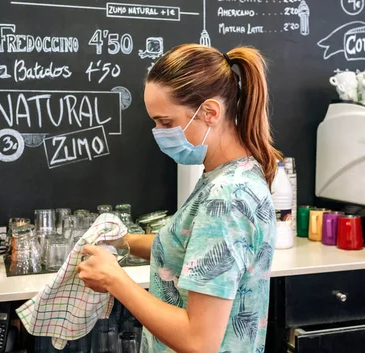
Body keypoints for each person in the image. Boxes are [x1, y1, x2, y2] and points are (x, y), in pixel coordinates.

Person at [77, 43, 281, 353]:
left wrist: (113, 280)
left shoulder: (226, 198)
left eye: (166, 122)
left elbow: (198, 341)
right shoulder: (226, 175)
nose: (159, 132)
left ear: (210, 112)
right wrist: (122, 241)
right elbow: (188, 247)